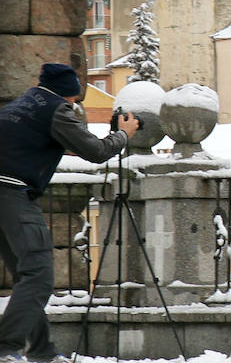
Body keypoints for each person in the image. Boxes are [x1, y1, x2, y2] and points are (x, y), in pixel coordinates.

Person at [0, 63, 139, 363]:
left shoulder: (20, 106)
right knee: (39, 276)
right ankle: (5, 347)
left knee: (27, 277)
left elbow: (29, 143)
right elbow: (96, 152)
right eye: (76, 101)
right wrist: (124, 134)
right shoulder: (56, 109)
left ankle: (42, 352)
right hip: (14, 196)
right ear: (69, 94)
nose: (75, 106)